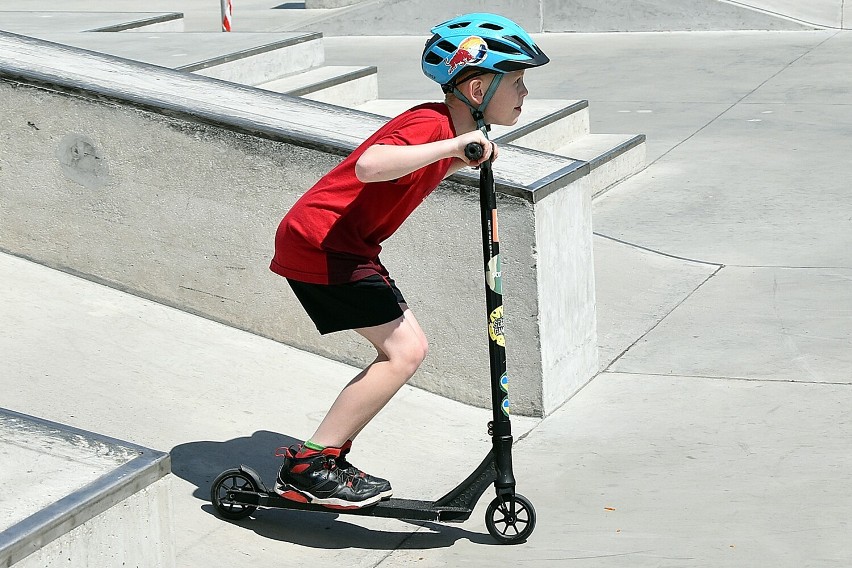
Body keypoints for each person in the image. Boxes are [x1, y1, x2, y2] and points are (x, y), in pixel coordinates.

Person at [269, 13, 549, 510]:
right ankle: (312, 467)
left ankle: (317, 462)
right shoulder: (431, 123)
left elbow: (419, 164)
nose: (525, 93)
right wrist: (452, 147)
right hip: (323, 242)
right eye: (519, 82)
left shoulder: (449, 129)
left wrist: (459, 157)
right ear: (479, 86)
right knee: (405, 352)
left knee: (407, 350)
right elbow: (369, 165)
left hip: (344, 245)